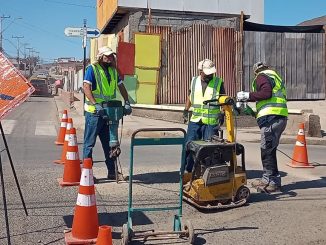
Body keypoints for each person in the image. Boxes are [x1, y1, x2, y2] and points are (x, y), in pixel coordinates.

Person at [237, 61, 288, 192]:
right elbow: (267, 100)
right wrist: (252, 112)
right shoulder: (274, 76)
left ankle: (272, 182)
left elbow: (266, 94)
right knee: (269, 150)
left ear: (256, 71)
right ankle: (269, 179)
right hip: (278, 116)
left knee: (267, 151)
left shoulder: (262, 76)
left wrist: (247, 95)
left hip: (272, 117)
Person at [83, 46, 132, 180]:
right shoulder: (92, 69)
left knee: (110, 143)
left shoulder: (113, 71)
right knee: (89, 144)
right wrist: (95, 104)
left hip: (108, 113)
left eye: (111, 56)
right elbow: (86, 88)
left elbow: (121, 86)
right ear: (101, 56)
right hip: (94, 113)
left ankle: (113, 172)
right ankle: (87, 175)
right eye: (107, 56)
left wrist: (127, 102)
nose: (109, 58)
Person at [183, 59, 225, 172]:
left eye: (212, 73)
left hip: (211, 122)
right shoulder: (194, 81)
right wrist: (186, 110)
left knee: (210, 149)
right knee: (189, 145)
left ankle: (208, 172)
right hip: (195, 120)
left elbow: (223, 99)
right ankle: (188, 171)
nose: (210, 75)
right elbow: (190, 96)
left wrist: (223, 113)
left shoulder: (218, 82)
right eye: (208, 73)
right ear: (200, 71)